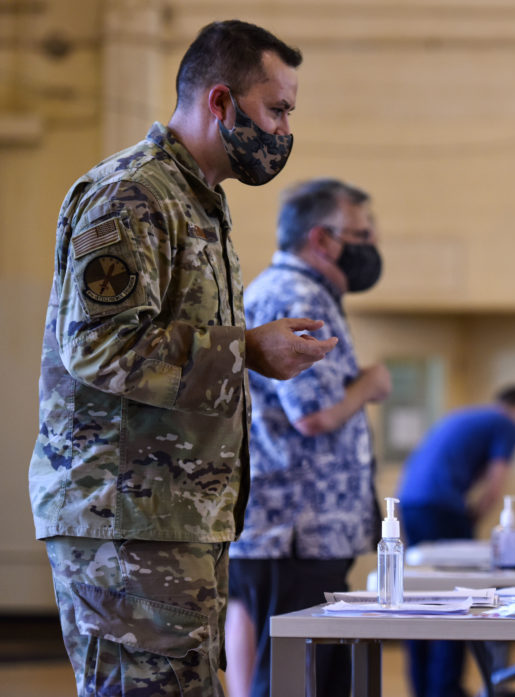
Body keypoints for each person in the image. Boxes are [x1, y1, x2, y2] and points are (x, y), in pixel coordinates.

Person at [27, 20, 337, 697]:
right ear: (221, 102)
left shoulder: (200, 203)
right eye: (276, 109)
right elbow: (99, 344)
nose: (285, 129)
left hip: (175, 518)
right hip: (125, 523)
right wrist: (249, 349)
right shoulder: (133, 194)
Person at [225, 179, 391, 697]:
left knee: (285, 669)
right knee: (295, 679)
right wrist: (366, 385)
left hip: (292, 528)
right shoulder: (298, 295)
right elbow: (313, 415)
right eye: (361, 234)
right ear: (321, 239)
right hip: (294, 528)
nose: (371, 245)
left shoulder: (294, 289)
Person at [396, 386, 515, 697]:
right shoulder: (508, 424)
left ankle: (424, 688)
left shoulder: (469, 417)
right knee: (455, 600)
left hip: (411, 502)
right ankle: (446, 690)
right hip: (441, 507)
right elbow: (496, 486)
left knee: (420, 599)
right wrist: (471, 521)